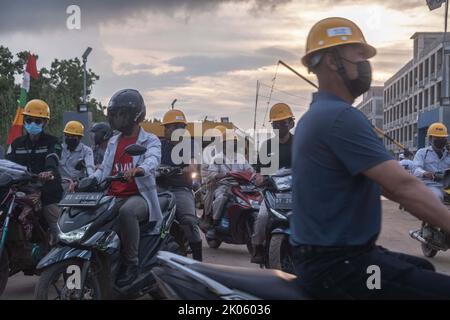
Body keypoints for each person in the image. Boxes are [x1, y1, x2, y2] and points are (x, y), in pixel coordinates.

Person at [291, 17, 450, 299]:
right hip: (343, 269)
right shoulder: (341, 117)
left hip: (332, 260)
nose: (365, 63)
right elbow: (404, 187)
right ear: (332, 60)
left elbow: (388, 187)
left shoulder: (317, 116)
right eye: (358, 54)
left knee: (422, 266)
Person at [90, 89, 162, 287]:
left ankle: (132, 264)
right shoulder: (114, 141)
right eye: (115, 114)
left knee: (127, 212)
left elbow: (153, 159)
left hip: (139, 196)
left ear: (135, 115)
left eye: (121, 114)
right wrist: (87, 181)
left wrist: (139, 169)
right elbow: (104, 170)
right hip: (112, 196)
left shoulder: (150, 140)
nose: (117, 119)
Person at [6, 99, 63, 245]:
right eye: (29, 120)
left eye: (38, 121)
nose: (33, 124)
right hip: (22, 192)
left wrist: (48, 172)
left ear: (45, 123)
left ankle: (59, 255)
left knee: (57, 225)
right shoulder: (16, 143)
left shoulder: (53, 142)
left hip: (47, 193)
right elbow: (8, 164)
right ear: (24, 120)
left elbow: (53, 158)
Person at [250, 103, 294, 264]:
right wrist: (260, 178)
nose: (280, 126)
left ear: (290, 123)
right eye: (276, 123)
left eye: (283, 123)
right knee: (261, 217)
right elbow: (259, 172)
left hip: (294, 193)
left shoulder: (299, 144)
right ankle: (258, 248)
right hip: (272, 193)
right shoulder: (267, 146)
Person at [160, 109, 203, 261]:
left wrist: (179, 169)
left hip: (180, 189)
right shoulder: (159, 145)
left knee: (189, 221)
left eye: (168, 127)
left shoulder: (190, 145)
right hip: (159, 190)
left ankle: (199, 264)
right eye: (166, 127)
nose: (165, 130)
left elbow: (192, 166)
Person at [206, 129, 254, 238]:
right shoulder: (217, 158)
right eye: (230, 143)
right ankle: (214, 224)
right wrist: (225, 175)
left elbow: (251, 171)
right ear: (223, 145)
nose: (233, 145)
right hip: (224, 186)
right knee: (221, 198)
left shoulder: (241, 158)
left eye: (235, 143)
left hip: (241, 187)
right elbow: (211, 175)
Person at [413, 123, 450, 202]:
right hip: (431, 186)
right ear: (430, 139)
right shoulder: (423, 153)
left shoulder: (448, 153)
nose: (441, 140)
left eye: (443, 138)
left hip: (447, 186)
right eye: (437, 138)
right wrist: (426, 173)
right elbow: (415, 169)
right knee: (436, 197)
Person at [201, 125, 228, 228]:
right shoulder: (208, 151)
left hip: (230, 182)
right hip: (213, 181)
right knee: (211, 191)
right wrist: (212, 178)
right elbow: (205, 170)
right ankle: (208, 216)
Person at [59, 121, 95, 190]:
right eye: (67, 135)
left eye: (73, 136)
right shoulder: (60, 149)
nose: (69, 138)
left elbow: (90, 166)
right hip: (61, 183)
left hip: (78, 184)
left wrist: (90, 180)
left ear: (79, 137)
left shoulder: (86, 150)